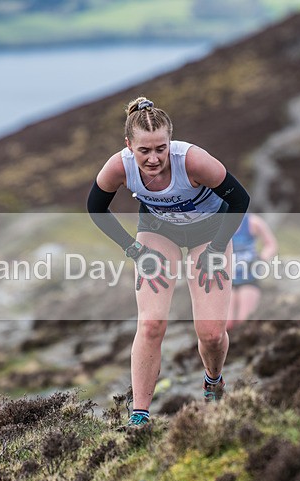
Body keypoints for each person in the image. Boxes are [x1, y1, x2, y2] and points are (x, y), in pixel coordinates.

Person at [87, 96, 250, 427]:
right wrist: (133, 249)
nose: (153, 158)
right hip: (158, 232)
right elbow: (95, 207)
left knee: (211, 333)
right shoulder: (119, 166)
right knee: (151, 323)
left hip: (210, 232)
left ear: (170, 142)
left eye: (160, 148)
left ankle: (213, 381)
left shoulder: (194, 161)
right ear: (129, 145)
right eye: (144, 150)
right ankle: (140, 414)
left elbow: (240, 200)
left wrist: (217, 249)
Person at [227, 213, 278, 330]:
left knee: (243, 321)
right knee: (227, 324)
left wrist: (261, 258)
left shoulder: (253, 222)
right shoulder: (217, 222)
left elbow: (271, 244)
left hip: (249, 277)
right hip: (227, 279)